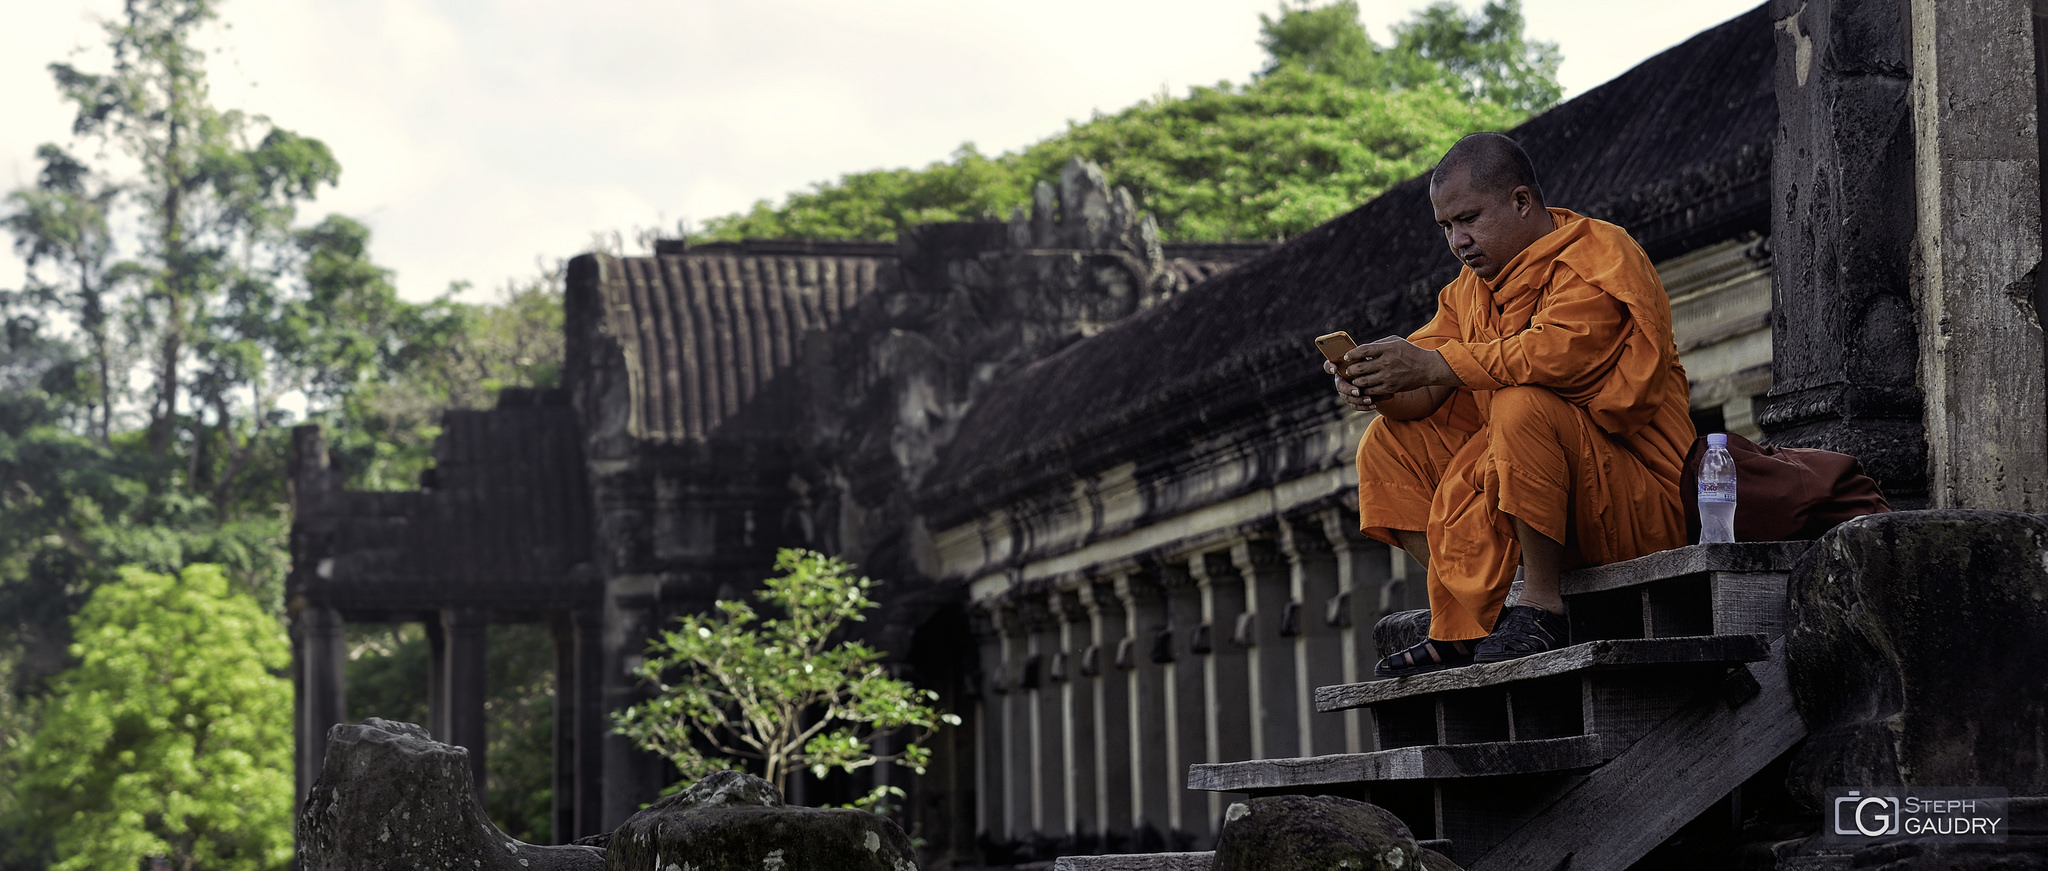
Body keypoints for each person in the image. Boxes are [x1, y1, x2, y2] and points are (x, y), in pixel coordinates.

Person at [1326, 132, 1694, 677]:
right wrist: (1378, 382)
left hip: (1640, 502)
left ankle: (1543, 606)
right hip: (1548, 507)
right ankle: (1479, 616)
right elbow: (1428, 381)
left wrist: (1431, 365)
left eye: (1469, 219)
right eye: (1447, 227)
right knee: (1384, 444)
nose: (1459, 241)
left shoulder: (1598, 254)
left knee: (1522, 404)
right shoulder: (1468, 292)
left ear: (1522, 201)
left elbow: (1560, 355)